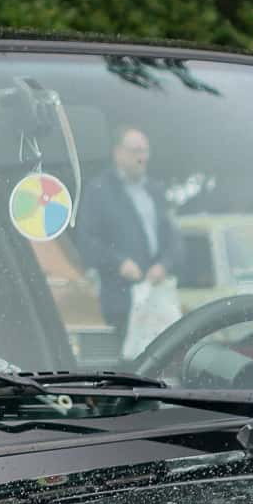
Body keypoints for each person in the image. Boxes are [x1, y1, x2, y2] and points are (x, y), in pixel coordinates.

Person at [81, 123, 182, 352]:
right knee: (125, 368)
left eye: (145, 151)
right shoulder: (99, 191)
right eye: (135, 151)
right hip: (119, 299)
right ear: (118, 153)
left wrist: (164, 265)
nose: (142, 157)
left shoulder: (155, 191)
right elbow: (87, 241)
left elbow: (175, 241)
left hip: (156, 297)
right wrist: (119, 263)